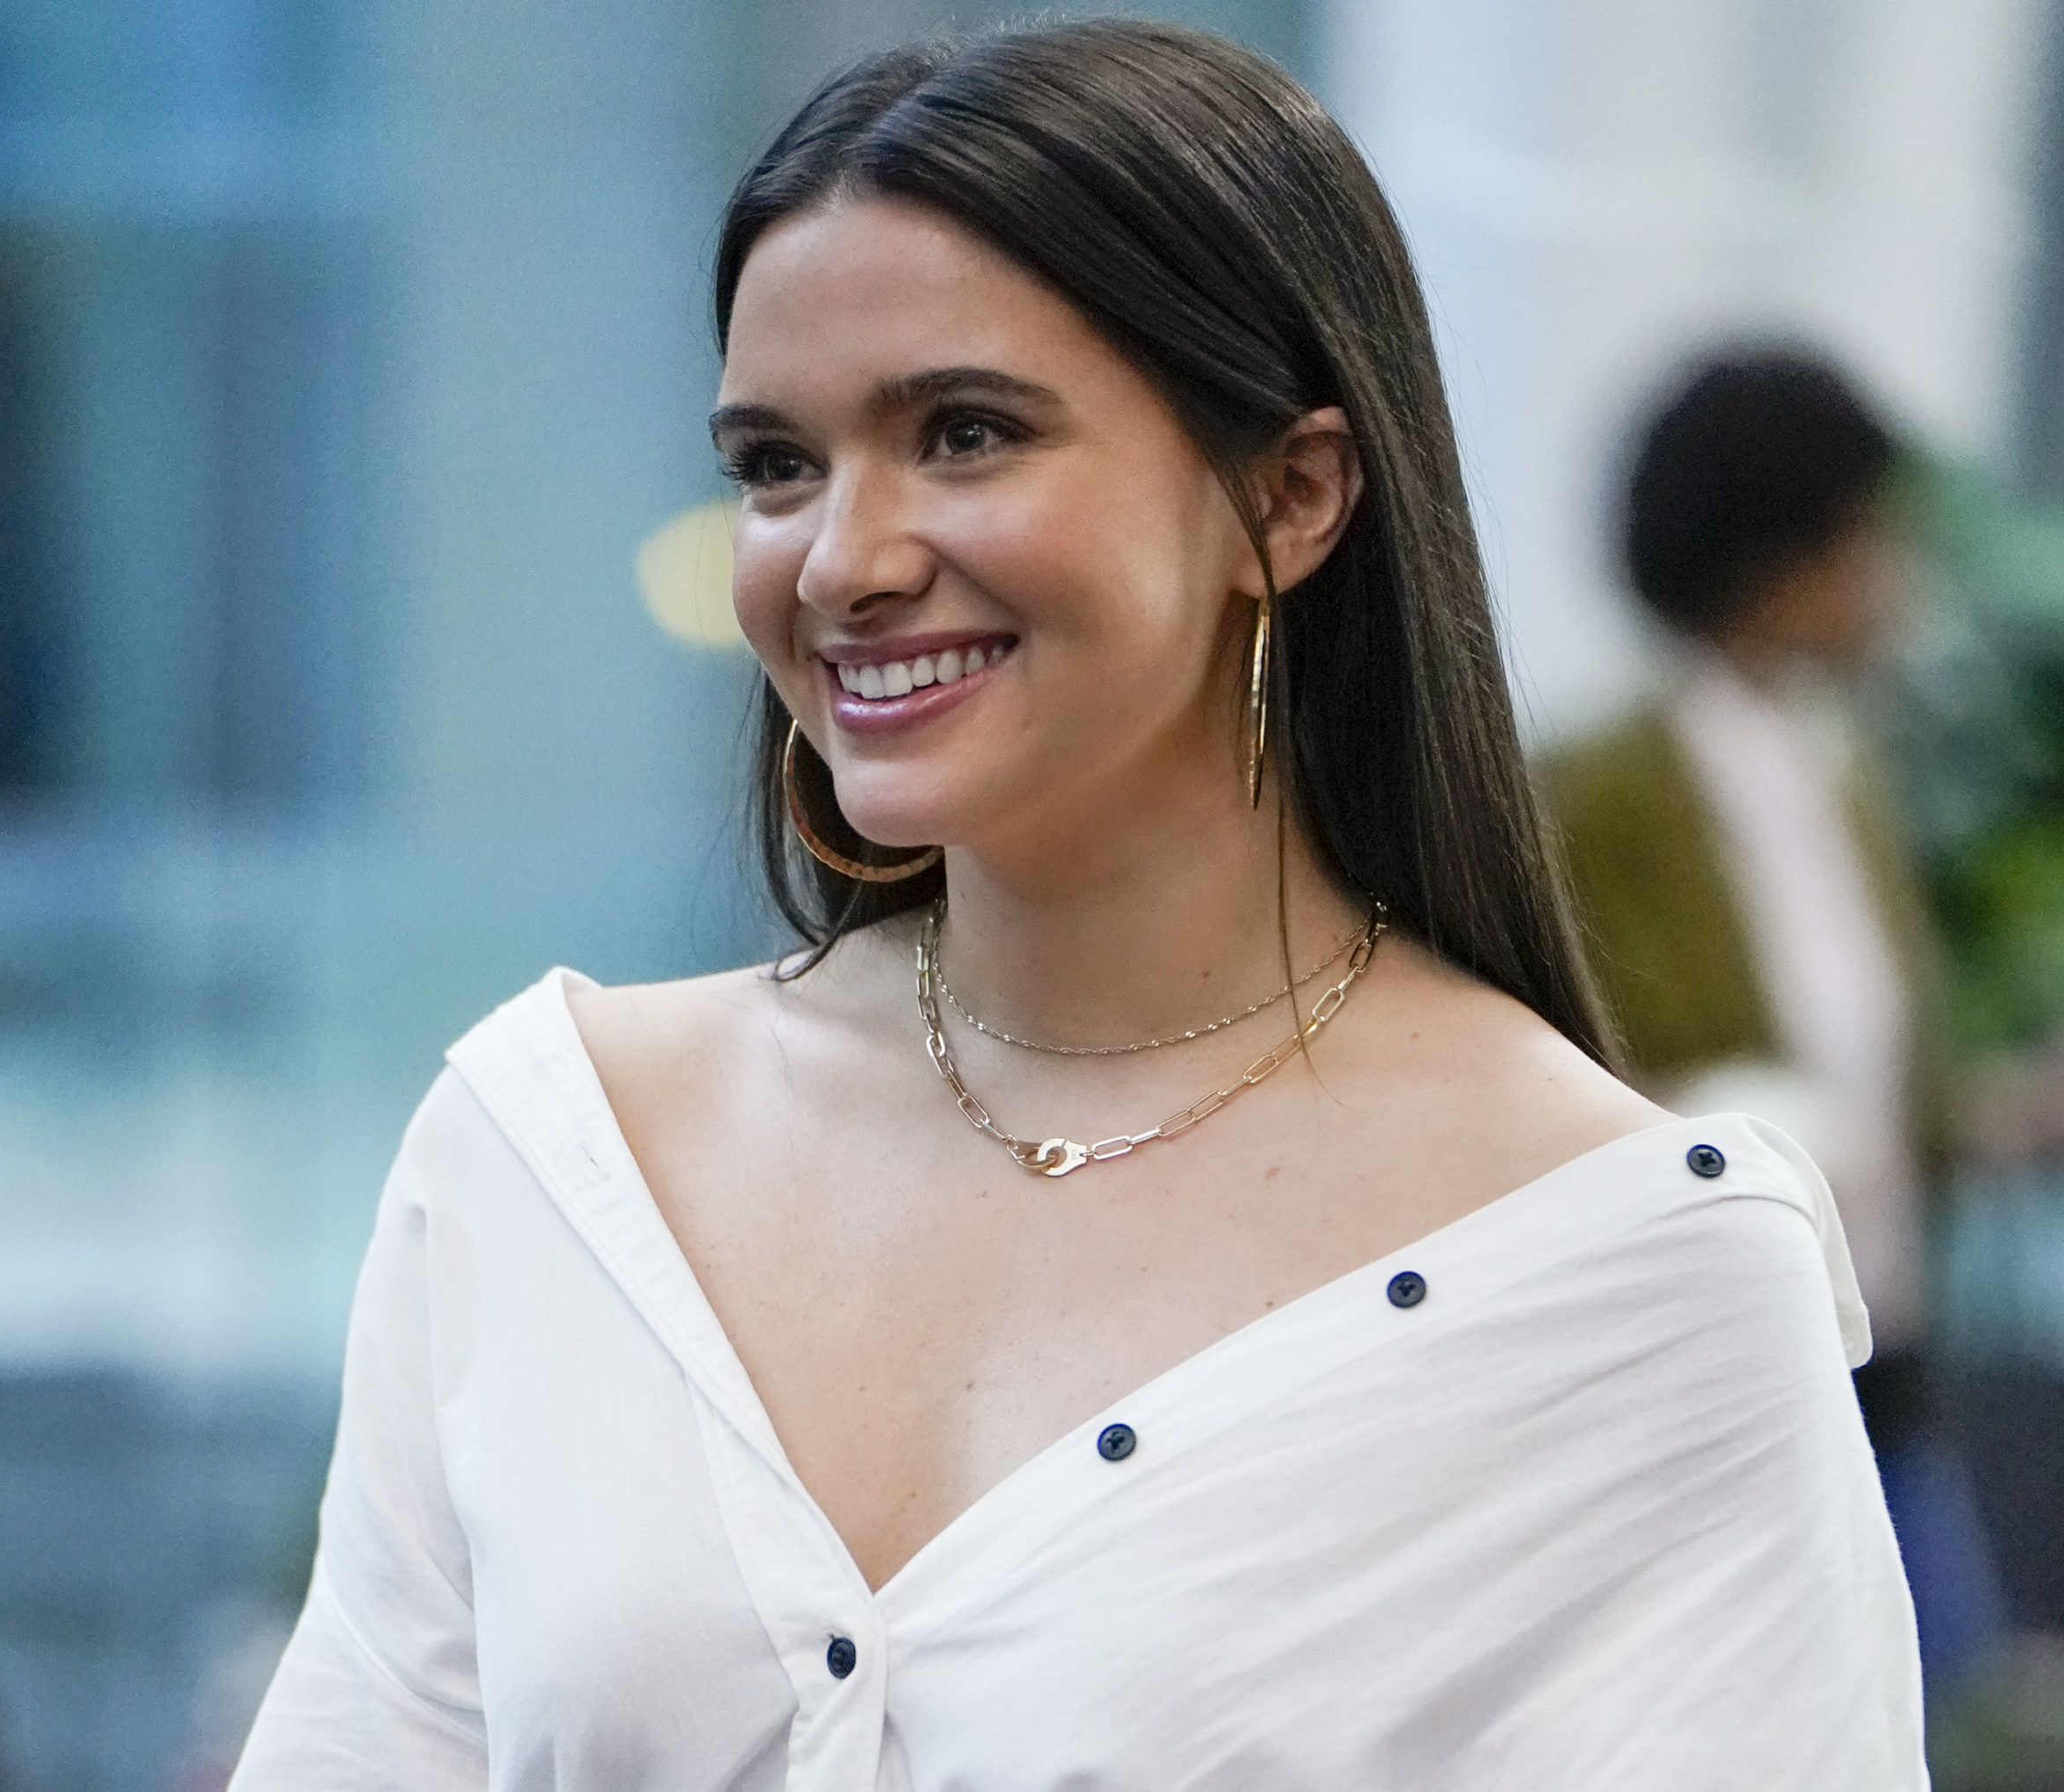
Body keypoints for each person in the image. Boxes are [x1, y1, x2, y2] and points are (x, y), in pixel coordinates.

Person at [232, 25, 1922, 1788]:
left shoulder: (1628, 1266)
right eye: (776, 464)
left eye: (964, 435)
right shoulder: (550, 1159)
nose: (843, 560)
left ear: (1289, 496)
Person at [1546, 347, 2005, 1696]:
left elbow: (1876, 1073)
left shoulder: (1843, 771)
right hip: (1710, 1374)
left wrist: (1983, 1114)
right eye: (1872, 538)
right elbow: (1558, 1069)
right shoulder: (1595, 794)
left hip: (1883, 1350)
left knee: (1925, 1690)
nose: (1897, 578)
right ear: (1783, 555)